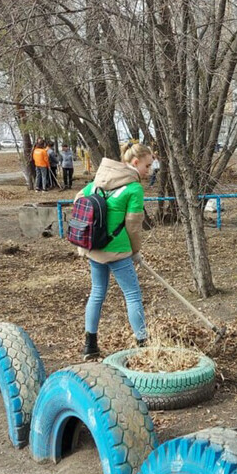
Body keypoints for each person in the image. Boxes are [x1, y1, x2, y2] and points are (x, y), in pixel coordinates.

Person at [76, 143, 153, 360]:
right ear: (135, 163)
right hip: (118, 251)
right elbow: (133, 225)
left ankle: (90, 346)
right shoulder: (134, 188)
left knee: (97, 292)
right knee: (132, 295)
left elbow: (78, 201)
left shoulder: (99, 180)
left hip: (95, 248)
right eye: (147, 166)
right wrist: (135, 251)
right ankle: (142, 345)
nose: (149, 171)